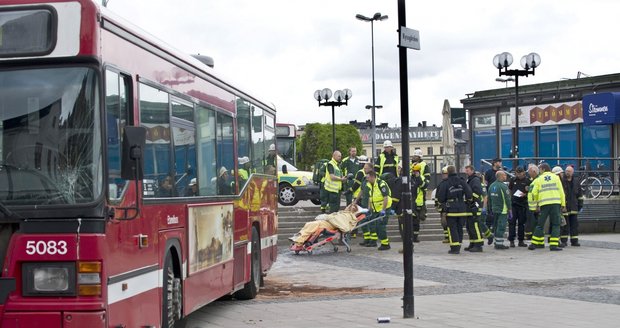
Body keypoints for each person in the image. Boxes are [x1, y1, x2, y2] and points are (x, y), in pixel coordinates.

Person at [528, 163, 566, 251]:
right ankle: (553, 245)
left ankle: (533, 244)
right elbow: (561, 192)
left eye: (540, 169)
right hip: (555, 203)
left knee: (540, 224)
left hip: (544, 204)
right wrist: (563, 204)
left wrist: (535, 205)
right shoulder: (556, 178)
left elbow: (534, 193)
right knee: (556, 224)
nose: (539, 171)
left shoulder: (539, 179)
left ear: (543, 169)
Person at [437, 165, 473, 254]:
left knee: (452, 229)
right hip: (461, 209)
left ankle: (454, 248)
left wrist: (443, 206)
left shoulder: (445, 183)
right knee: (460, 228)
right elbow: (469, 194)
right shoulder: (462, 181)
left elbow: (441, 197)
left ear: (448, 172)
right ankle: (459, 245)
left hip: (451, 209)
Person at [464, 165, 491, 252]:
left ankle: (478, 245)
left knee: (475, 226)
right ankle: (472, 243)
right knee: (469, 226)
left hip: (474, 206)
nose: (466, 172)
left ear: (472, 170)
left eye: (467, 170)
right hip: (470, 206)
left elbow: (477, 192)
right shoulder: (470, 180)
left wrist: (471, 200)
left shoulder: (475, 180)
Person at [365, 170, 392, 250]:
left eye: (368, 177)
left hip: (384, 208)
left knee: (381, 226)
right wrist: (369, 210)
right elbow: (370, 198)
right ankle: (384, 243)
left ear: (373, 177)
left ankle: (385, 244)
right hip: (376, 209)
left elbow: (385, 198)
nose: (367, 179)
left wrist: (383, 210)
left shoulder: (381, 184)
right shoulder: (370, 184)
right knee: (376, 227)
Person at [561, 165, 584, 247]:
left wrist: (580, 205)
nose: (567, 172)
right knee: (565, 226)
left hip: (574, 207)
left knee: (574, 226)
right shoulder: (561, 181)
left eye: (569, 171)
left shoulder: (576, 181)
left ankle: (574, 241)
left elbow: (580, 195)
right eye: (566, 171)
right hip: (565, 208)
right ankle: (563, 241)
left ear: (573, 172)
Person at [488, 170, 511, 250]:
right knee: (501, 227)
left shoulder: (491, 186)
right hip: (503, 210)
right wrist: (510, 209)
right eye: (504, 175)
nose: (506, 177)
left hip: (494, 210)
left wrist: (490, 209)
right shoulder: (503, 186)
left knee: (496, 226)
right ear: (500, 176)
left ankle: (496, 242)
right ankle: (499, 244)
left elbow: (489, 199)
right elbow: (507, 199)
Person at [353, 161, 373, 245]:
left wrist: (369, 206)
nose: (364, 169)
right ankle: (367, 239)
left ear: (371, 169)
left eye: (366, 168)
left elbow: (372, 194)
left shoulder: (373, 179)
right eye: (364, 168)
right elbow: (361, 190)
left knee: (370, 222)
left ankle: (372, 240)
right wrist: (356, 200)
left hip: (371, 204)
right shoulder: (364, 178)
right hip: (364, 203)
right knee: (363, 222)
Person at [508, 166, 529, 247]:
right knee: (511, 223)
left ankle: (521, 240)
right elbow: (510, 190)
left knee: (521, 223)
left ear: (523, 172)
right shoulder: (513, 180)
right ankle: (511, 240)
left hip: (522, 204)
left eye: (520, 173)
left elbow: (531, 192)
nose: (518, 175)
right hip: (513, 204)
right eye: (517, 173)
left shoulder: (527, 181)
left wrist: (525, 194)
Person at [410, 149, 431, 221]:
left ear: (420, 157)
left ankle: (423, 212)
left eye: (416, 156)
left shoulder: (424, 165)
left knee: (422, 201)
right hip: (413, 185)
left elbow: (427, 177)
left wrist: (422, 181)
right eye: (414, 156)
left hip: (421, 186)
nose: (414, 157)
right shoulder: (410, 164)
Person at [484, 158, 503, 230]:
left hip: (499, 195)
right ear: (494, 163)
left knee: (498, 211)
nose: (500, 164)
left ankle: (496, 226)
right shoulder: (489, 172)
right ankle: (488, 226)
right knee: (490, 211)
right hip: (491, 195)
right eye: (499, 162)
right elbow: (486, 183)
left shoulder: (501, 172)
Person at [434, 166, 450, 243]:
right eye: (443, 174)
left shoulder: (449, 183)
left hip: (447, 207)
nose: (443, 175)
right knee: (444, 223)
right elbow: (437, 195)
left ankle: (449, 237)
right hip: (443, 207)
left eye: (445, 174)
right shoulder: (441, 184)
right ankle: (447, 237)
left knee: (447, 222)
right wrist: (436, 204)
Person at [525, 164, 540, 240]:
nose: (528, 173)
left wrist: (538, 205)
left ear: (534, 171)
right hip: (532, 207)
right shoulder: (533, 180)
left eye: (529, 172)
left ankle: (537, 239)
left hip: (536, 207)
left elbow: (539, 193)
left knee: (536, 224)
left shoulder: (538, 180)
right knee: (533, 223)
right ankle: (534, 237)